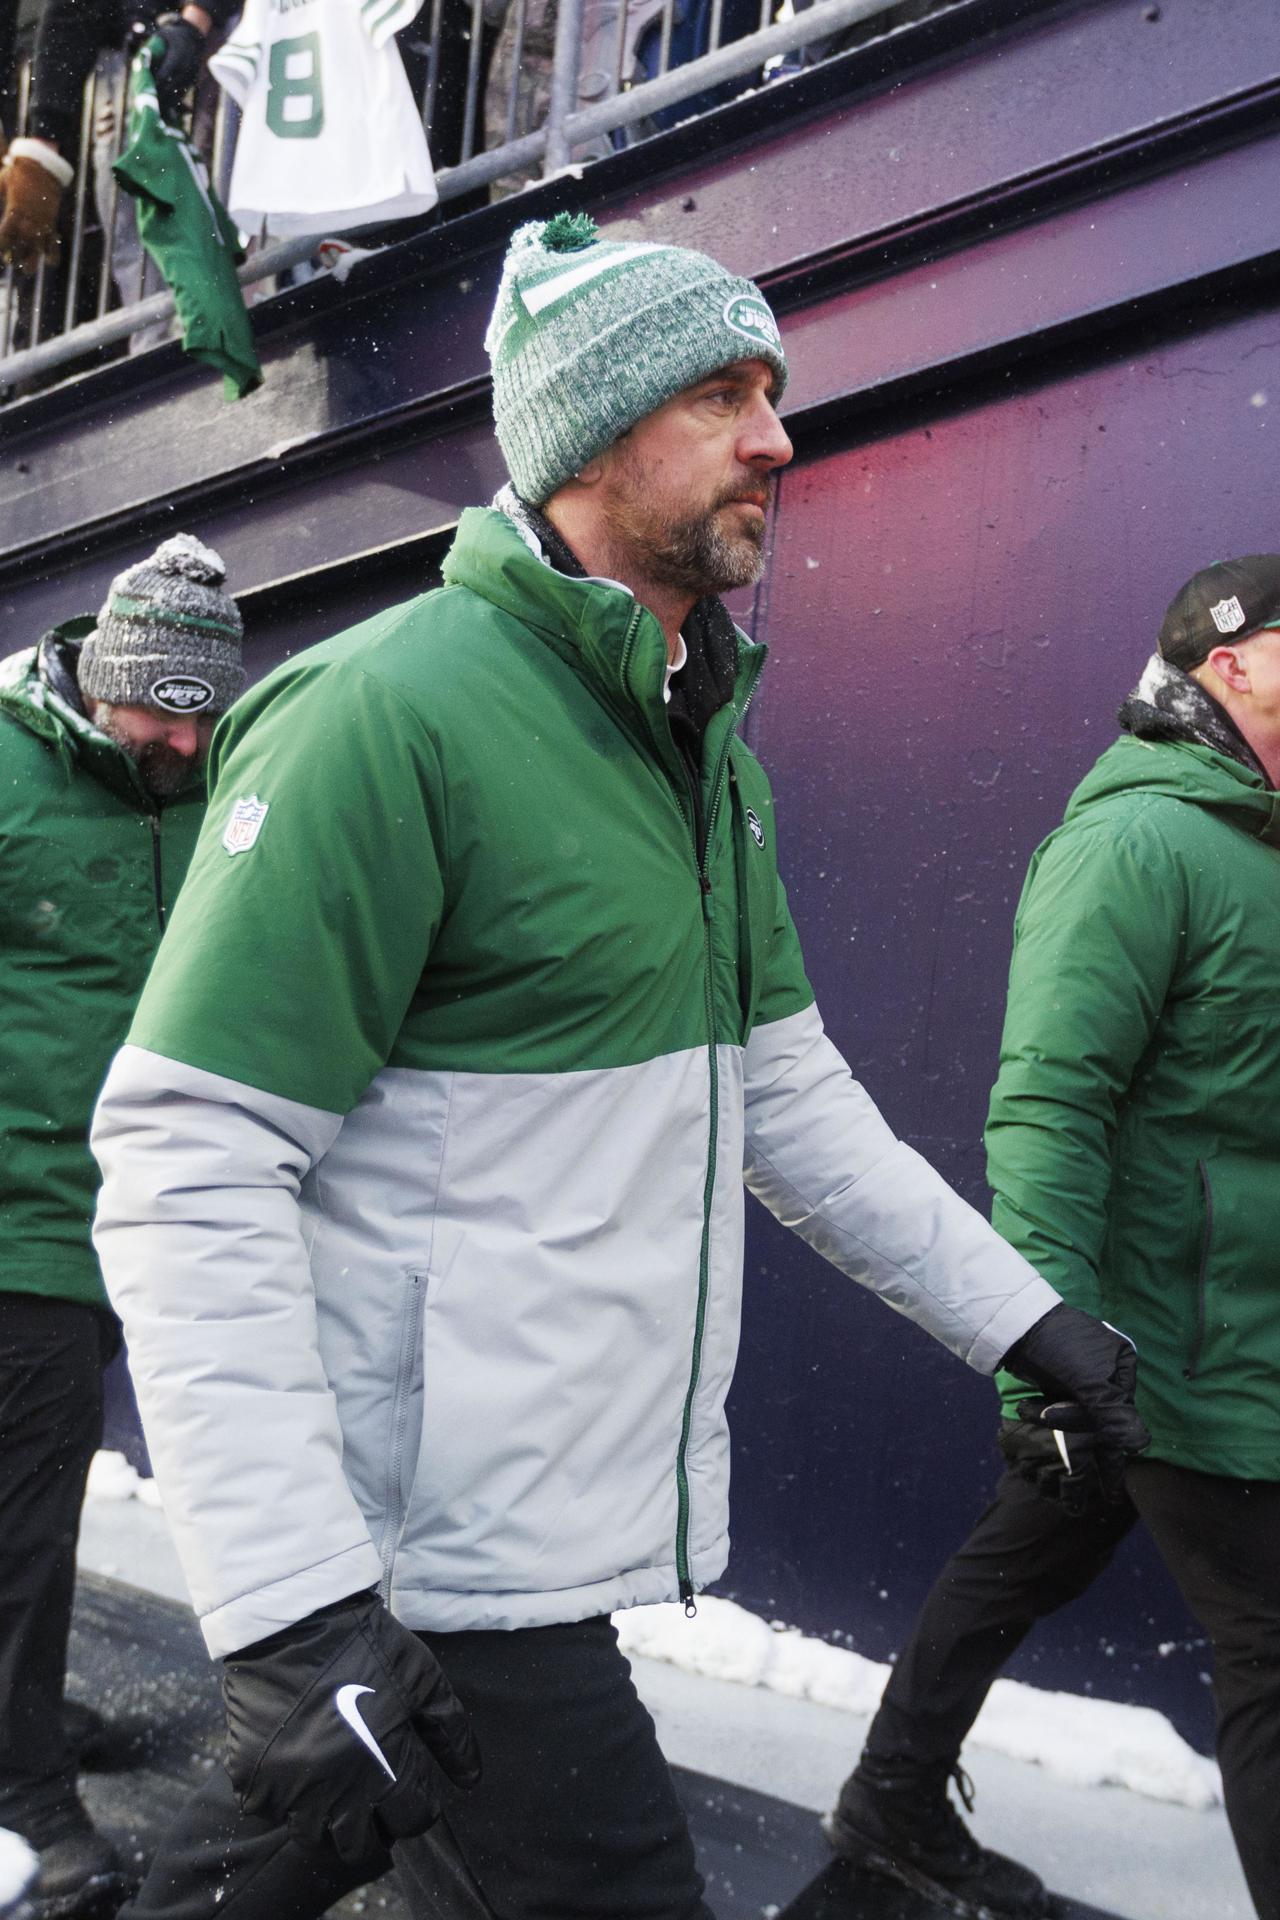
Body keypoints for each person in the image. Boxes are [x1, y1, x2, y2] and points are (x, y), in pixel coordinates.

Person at [90, 212, 1148, 1920]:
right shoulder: (387, 712)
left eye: (774, 392)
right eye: (724, 396)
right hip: (421, 1573)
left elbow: (787, 1100)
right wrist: (293, 1615)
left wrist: (1026, 1327)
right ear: (589, 430)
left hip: (528, 1548)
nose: (778, 438)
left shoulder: (704, 749)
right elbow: (187, 1155)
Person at [829, 553, 1280, 1920]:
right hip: (1171, 1340)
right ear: (1235, 662)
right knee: (1271, 1655)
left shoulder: (1260, 844)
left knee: (1038, 1543)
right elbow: (1047, 1108)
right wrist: (1049, 1363)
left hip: (1234, 1324)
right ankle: (893, 1801)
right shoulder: (1136, 842)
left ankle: (893, 1800)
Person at [0, 534, 244, 1919]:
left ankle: (20, 1710)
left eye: (204, 712)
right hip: (12, 1217)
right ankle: (21, 1796)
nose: (185, 737)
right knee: (20, 1518)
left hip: (127, 1222)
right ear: (102, 684)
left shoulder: (193, 785)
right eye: (162, 708)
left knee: (40, 1496)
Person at [0, 0, 236, 282]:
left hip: (191, 49)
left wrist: (195, 21)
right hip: (92, 75)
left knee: (211, 220)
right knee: (126, 240)